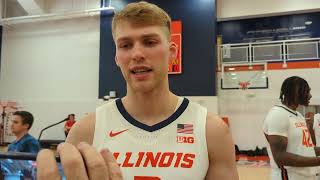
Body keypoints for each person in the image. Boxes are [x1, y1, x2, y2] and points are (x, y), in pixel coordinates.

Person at [36, 2, 238, 179]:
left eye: (150, 42)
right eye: (125, 45)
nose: (137, 54)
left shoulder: (212, 130)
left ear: (172, 53)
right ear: (117, 58)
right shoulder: (85, 130)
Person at [263, 76, 320, 180]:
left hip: (307, 176)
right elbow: (280, 157)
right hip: (289, 177)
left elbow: (306, 149)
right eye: (307, 91)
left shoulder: (298, 115)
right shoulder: (278, 114)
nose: (310, 95)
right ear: (296, 92)